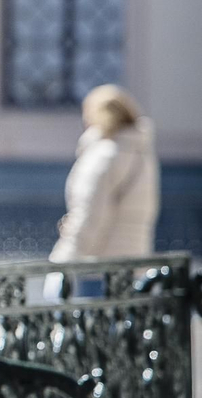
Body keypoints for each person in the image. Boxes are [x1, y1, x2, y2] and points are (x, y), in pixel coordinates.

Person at [47, 85, 160, 292]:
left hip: (96, 268)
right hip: (132, 266)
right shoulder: (142, 155)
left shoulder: (103, 156)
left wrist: (64, 262)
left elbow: (90, 216)